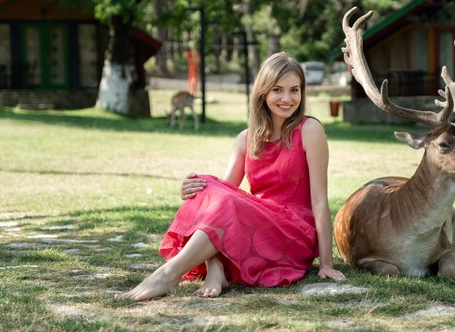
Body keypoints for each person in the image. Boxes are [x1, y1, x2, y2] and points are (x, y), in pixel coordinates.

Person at [116, 52, 346, 301]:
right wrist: (191, 189)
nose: (287, 98)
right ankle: (215, 269)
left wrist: (326, 263)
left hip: (292, 231)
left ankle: (168, 276)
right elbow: (221, 193)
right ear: (263, 92)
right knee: (206, 186)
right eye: (277, 90)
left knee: (220, 198)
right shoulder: (246, 139)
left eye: (294, 90)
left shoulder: (310, 130)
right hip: (257, 223)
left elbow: (320, 201)